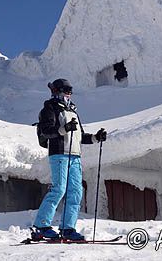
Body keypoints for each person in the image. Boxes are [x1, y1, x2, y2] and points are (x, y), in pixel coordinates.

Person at [33, 78, 107, 241]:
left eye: (70, 91)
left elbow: (80, 135)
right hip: (59, 154)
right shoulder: (49, 108)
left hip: (75, 156)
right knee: (59, 189)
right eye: (65, 90)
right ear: (56, 91)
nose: (68, 94)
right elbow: (46, 131)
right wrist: (63, 129)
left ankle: (67, 228)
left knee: (76, 192)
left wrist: (96, 137)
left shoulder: (73, 111)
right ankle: (41, 226)